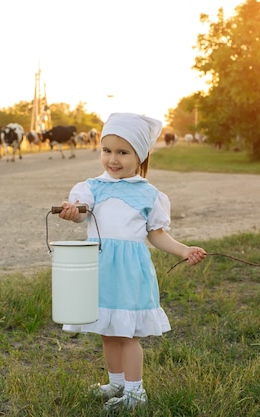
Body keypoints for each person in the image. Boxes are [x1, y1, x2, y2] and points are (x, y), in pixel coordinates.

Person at [57, 112, 207, 411]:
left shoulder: (149, 194)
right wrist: (72, 212)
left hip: (129, 272)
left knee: (127, 334)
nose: (113, 159)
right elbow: (82, 213)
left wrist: (182, 250)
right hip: (99, 268)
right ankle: (116, 382)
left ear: (140, 155)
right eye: (107, 150)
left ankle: (136, 392)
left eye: (123, 152)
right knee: (108, 331)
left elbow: (157, 234)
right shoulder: (91, 187)